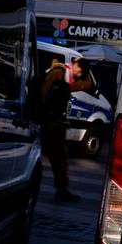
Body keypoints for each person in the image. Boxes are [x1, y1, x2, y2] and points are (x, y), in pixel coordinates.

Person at [40, 58, 80, 203]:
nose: (80, 73)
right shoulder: (59, 73)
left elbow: (86, 84)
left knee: (59, 157)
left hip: (55, 122)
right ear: (74, 64)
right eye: (80, 69)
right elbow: (43, 93)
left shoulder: (67, 77)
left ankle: (62, 188)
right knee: (58, 156)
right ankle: (61, 189)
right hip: (51, 123)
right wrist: (45, 115)